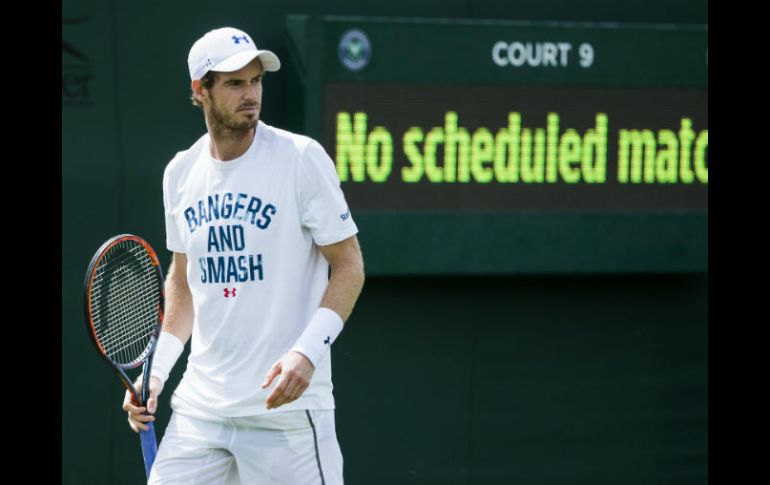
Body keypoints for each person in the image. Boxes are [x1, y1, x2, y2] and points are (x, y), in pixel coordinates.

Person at [122, 26, 365, 485]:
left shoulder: (301, 159)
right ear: (201, 90)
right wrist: (155, 375)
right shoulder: (179, 173)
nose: (251, 93)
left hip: (286, 415)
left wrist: (307, 354)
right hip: (201, 412)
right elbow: (183, 282)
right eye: (235, 83)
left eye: (256, 81)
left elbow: (350, 265)